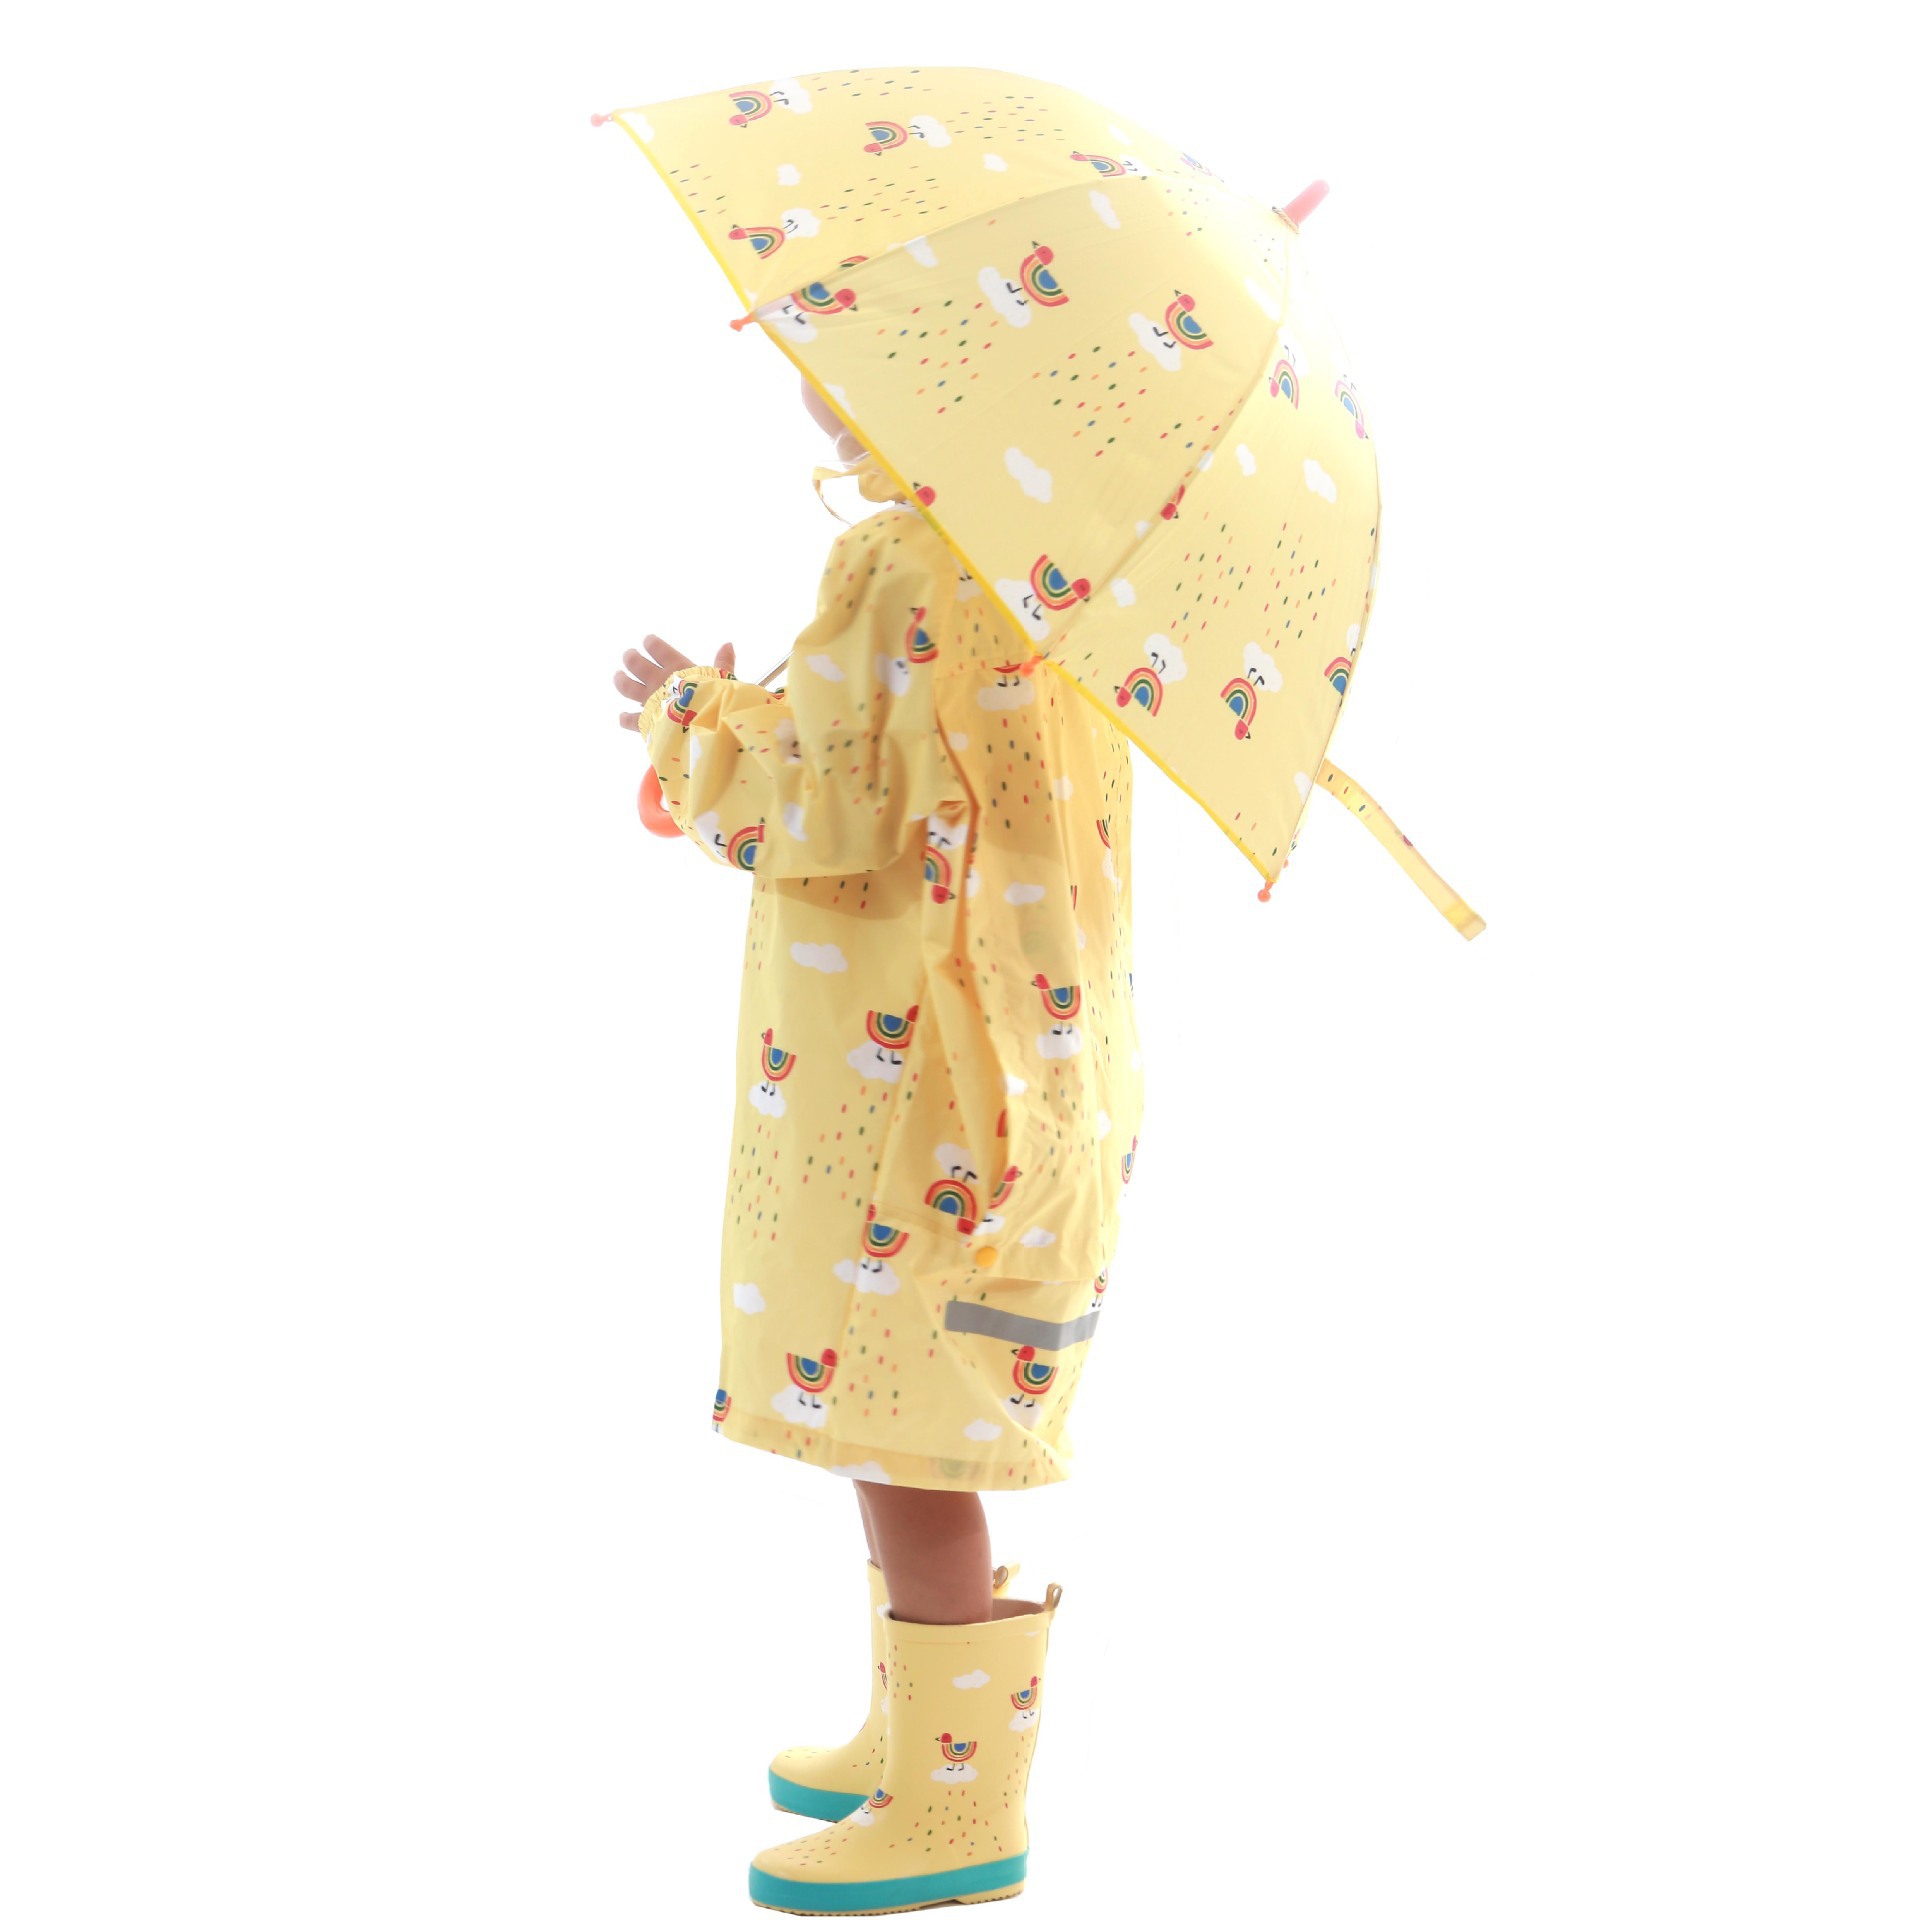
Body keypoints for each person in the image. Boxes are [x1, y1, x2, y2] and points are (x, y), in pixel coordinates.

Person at [614, 375, 1144, 1914]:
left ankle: (958, 1806)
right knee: (894, 1411)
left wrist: (685, 723)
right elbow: (917, 775)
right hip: (1011, 1049)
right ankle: (918, 1731)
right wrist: (760, 715)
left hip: (905, 1075)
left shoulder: (907, 559)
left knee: (901, 1424)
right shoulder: (1041, 552)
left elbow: (829, 814)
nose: (811, 377)